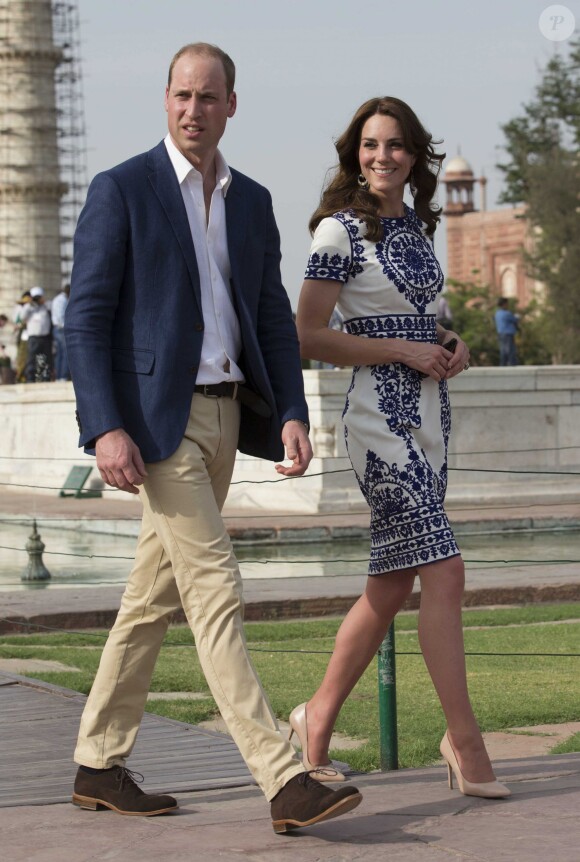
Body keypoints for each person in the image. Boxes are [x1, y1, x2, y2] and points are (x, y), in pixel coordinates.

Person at [65, 42, 361, 833]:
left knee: (149, 598)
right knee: (216, 589)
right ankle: (284, 777)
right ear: (166, 101)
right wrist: (104, 428)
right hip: (159, 424)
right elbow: (85, 320)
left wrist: (292, 410)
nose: (194, 109)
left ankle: (98, 761)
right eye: (181, 96)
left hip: (231, 414)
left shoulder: (253, 200)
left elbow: (270, 313)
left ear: (232, 105)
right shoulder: (121, 189)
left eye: (209, 97)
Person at [295, 97, 510, 799]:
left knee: (389, 588)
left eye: (393, 145)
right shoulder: (337, 232)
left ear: (415, 155)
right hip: (377, 422)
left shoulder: (416, 227)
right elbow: (307, 335)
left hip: (428, 414)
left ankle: (314, 723)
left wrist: (451, 344)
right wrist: (401, 350)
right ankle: (464, 741)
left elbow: (424, 321)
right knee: (444, 572)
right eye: (368, 144)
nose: (381, 156)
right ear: (354, 152)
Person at [21, 286, 52, 382]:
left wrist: (43, 302)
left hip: (45, 337)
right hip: (33, 337)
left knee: (45, 359)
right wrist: (30, 304)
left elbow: (52, 307)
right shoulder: (28, 307)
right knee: (31, 359)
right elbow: (22, 317)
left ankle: (44, 378)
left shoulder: (46, 306)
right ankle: (30, 379)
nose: (37, 299)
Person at [51, 284, 70, 380]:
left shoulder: (57, 299)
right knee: (66, 353)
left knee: (59, 354)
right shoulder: (62, 300)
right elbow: (61, 316)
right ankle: (63, 376)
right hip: (61, 328)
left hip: (57, 328)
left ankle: (59, 376)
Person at [494, 297, 519, 366]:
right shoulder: (507, 313)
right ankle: (512, 364)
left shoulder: (497, 313)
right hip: (508, 334)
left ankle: (503, 364)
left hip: (500, 334)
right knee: (510, 350)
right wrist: (517, 317)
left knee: (503, 350)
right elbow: (515, 320)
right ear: (504, 304)